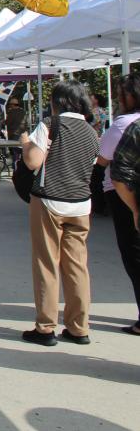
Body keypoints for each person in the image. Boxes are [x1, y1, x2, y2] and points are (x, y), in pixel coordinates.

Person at [19, 81, 100, 346]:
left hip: (49, 201)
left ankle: (45, 327)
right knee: (77, 266)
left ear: (58, 101)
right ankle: (79, 327)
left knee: (46, 263)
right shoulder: (91, 131)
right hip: (81, 203)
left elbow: (33, 162)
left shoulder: (50, 125)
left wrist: (25, 143)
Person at [98, 74, 140, 334]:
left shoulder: (124, 124)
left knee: (134, 256)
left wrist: (134, 207)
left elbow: (108, 162)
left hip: (126, 196)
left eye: (121, 93)